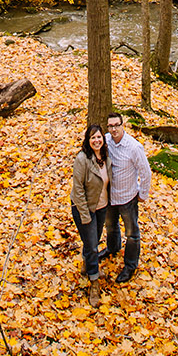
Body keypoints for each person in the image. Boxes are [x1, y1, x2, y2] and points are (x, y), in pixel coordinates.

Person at [101, 110, 153, 283]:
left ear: (122, 125)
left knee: (132, 233)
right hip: (110, 195)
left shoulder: (134, 147)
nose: (114, 129)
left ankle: (130, 265)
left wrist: (143, 194)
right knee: (111, 225)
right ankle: (112, 248)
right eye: (111, 126)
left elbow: (146, 172)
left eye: (117, 125)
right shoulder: (106, 141)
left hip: (128, 197)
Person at [70, 123, 111, 298]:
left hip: (101, 206)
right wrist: (85, 215)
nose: (96, 140)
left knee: (92, 241)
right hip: (84, 208)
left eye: (99, 137)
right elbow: (77, 189)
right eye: (93, 137)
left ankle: (87, 264)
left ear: (103, 138)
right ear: (88, 140)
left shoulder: (106, 156)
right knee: (93, 245)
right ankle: (94, 281)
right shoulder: (82, 159)